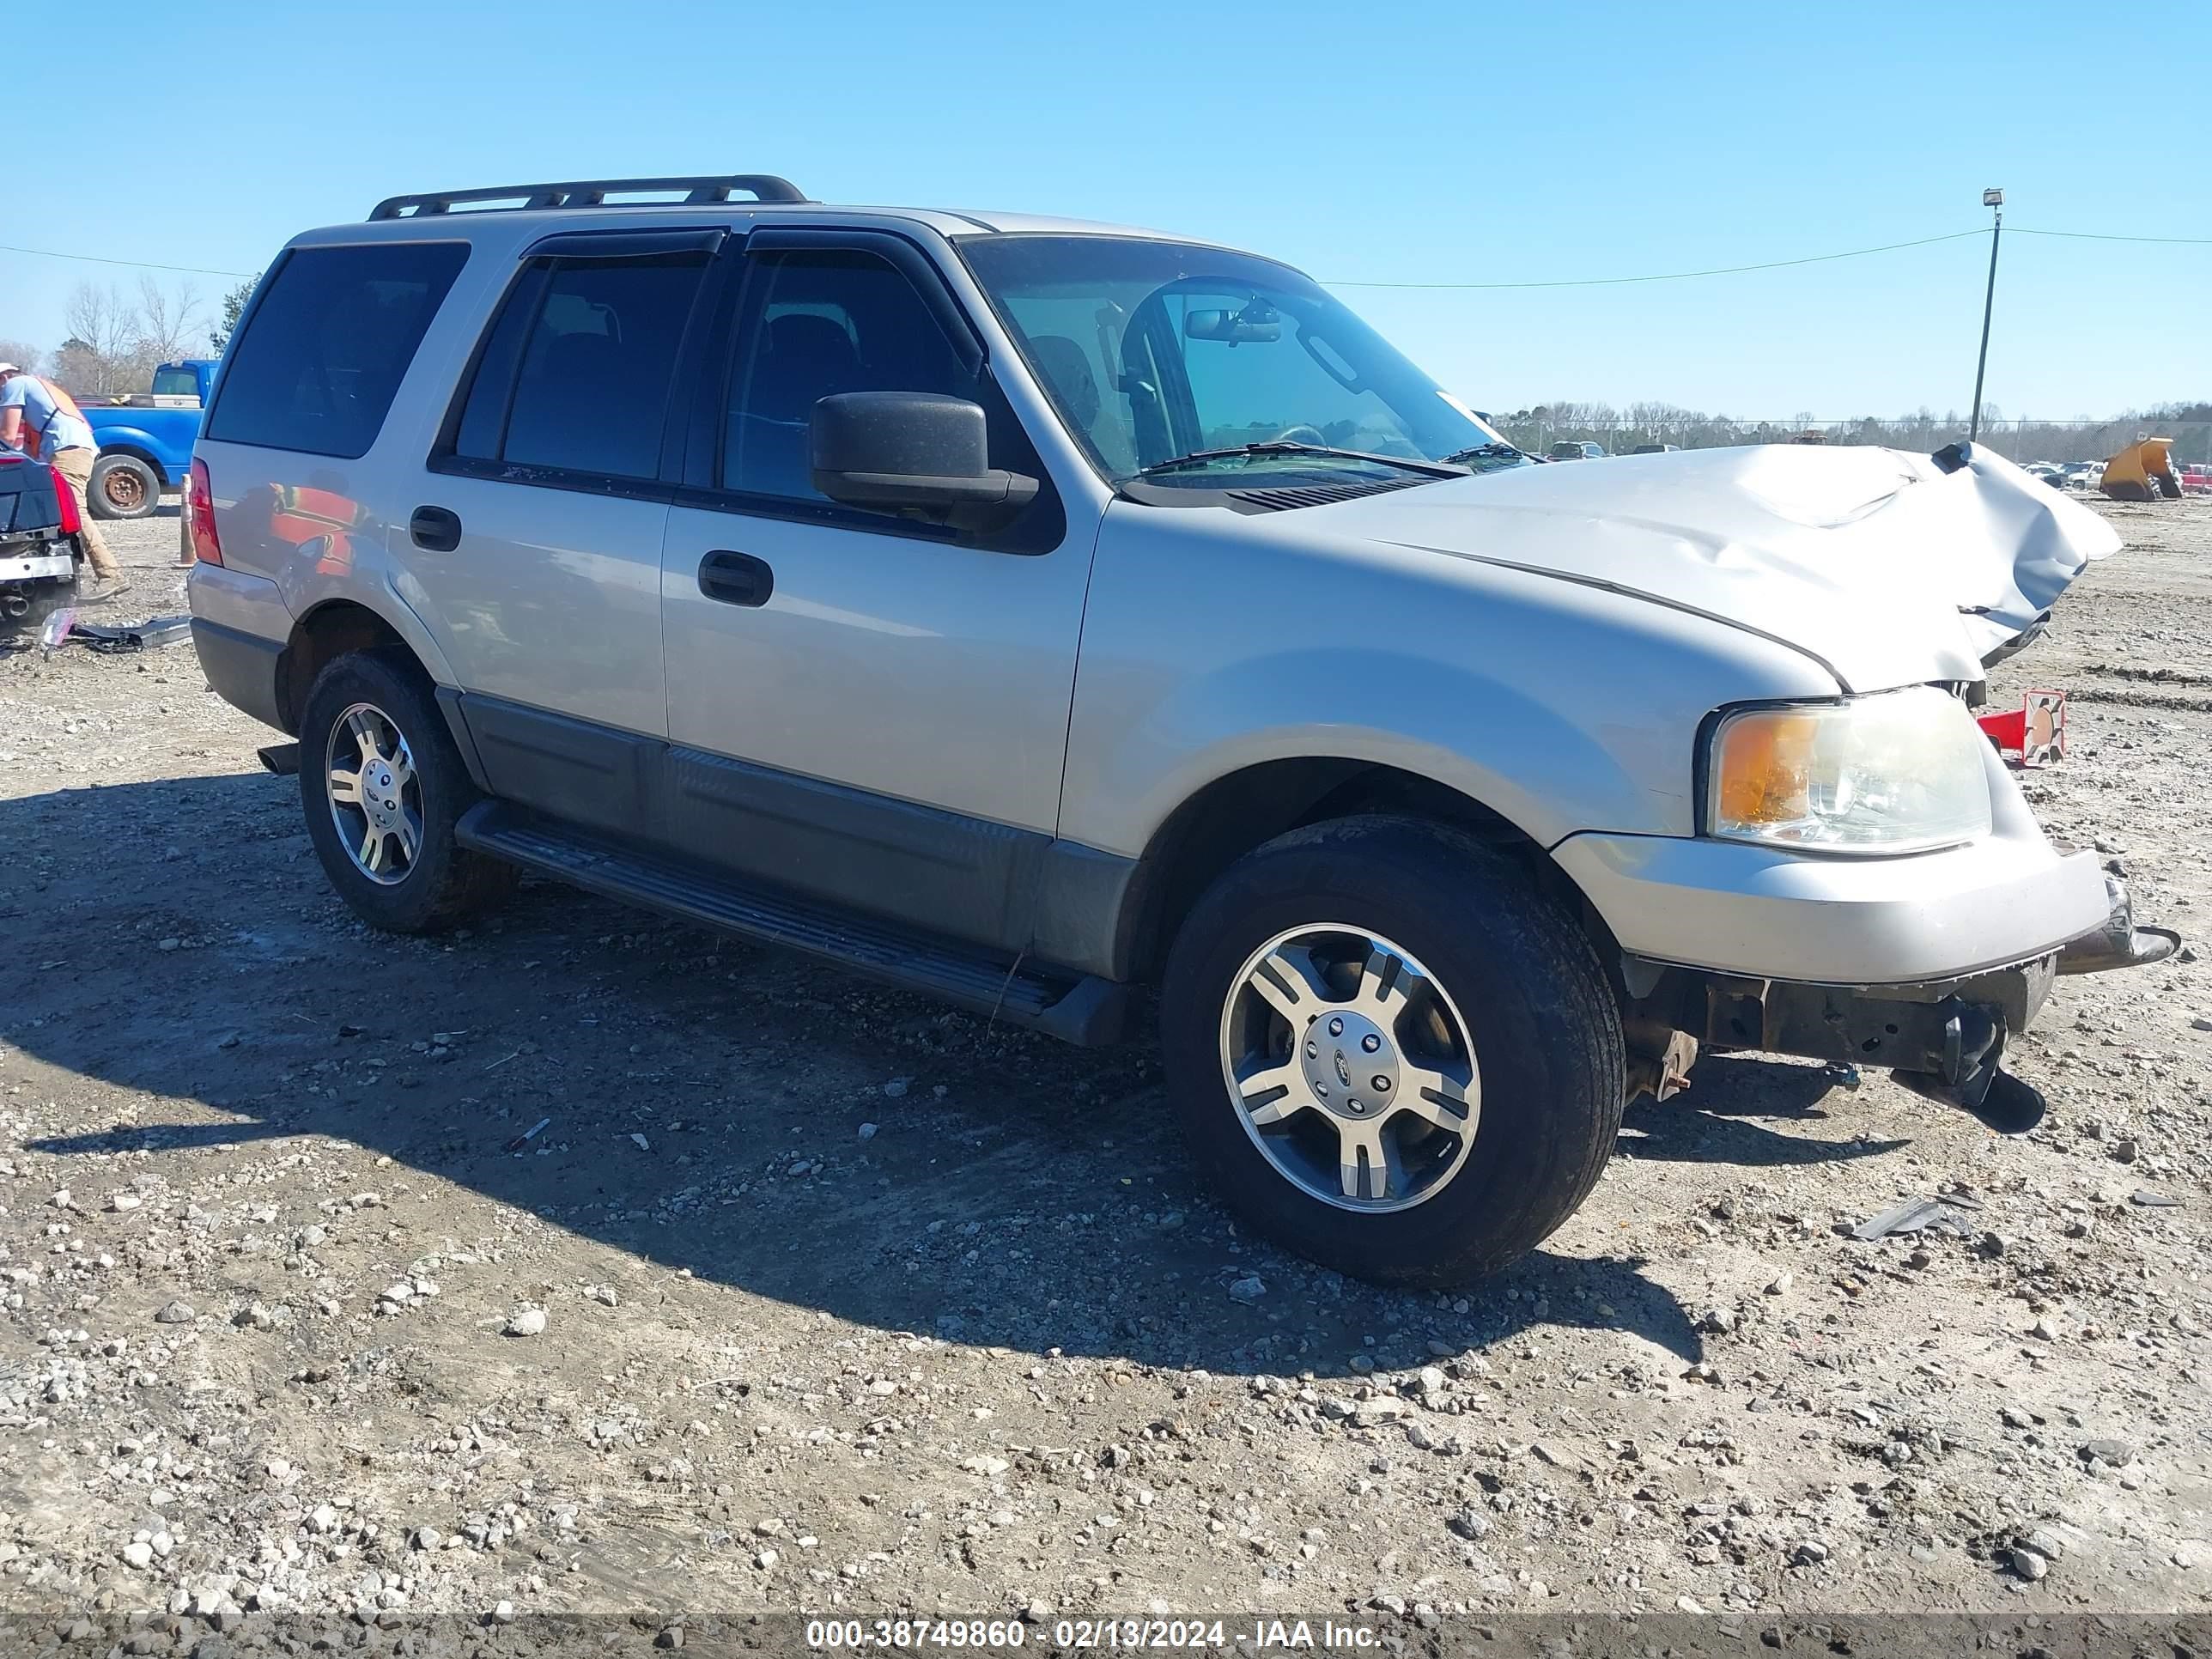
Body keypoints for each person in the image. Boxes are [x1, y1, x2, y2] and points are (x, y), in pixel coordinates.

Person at [0, 362, 130, 603]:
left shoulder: (15, 384)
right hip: (75, 449)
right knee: (62, 512)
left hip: (68, 451)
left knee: (71, 511)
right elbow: (26, 451)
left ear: (5, 376)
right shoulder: (38, 393)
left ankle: (110, 574)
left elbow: (7, 436)